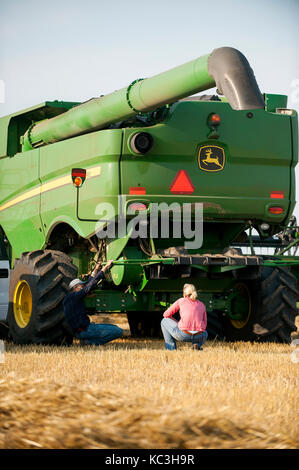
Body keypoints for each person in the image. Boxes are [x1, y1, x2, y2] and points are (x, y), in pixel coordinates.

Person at [63, 259, 123, 345]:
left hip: (79, 332)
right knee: (118, 331)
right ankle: (89, 342)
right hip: (86, 329)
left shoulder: (70, 298)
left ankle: (87, 341)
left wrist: (96, 269)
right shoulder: (75, 296)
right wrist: (105, 268)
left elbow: (88, 283)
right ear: (75, 288)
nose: (83, 287)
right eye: (81, 286)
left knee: (115, 327)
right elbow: (89, 286)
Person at [161, 283, 208, 351]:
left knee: (164, 321)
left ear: (184, 294)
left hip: (183, 335)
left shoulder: (181, 301)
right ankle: (197, 345)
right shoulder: (202, 304)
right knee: (205, 332)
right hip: (200, 336)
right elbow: (205, 324)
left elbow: (166, 314)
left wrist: (176, 322)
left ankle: (170, 348)